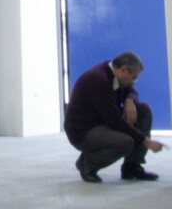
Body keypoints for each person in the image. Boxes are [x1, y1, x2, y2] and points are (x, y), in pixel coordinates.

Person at [65, 52, 166, 182]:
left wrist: (130, 99)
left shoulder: (115, 75)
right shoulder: (98, 80)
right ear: (124, 70)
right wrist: (146, 141)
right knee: (125, 142)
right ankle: (87, 164)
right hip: (83, 131)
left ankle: (132, 167)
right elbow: (114, 120)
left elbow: (131, 90)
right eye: (133, 77)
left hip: (102, 121)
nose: (134, 82)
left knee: (144, 111)